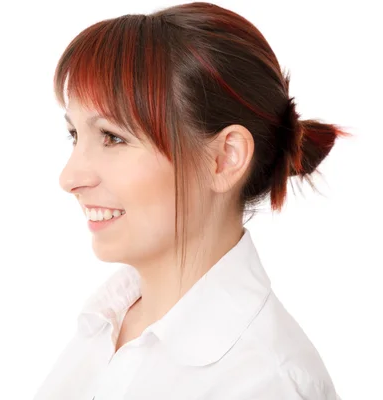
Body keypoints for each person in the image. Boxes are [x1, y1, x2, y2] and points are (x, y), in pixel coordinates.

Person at [34, 2, 349, 399]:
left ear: (223, 159)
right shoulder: (105, 323)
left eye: (113, 137)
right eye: (74, 135)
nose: (70, 178)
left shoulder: (267, 383)